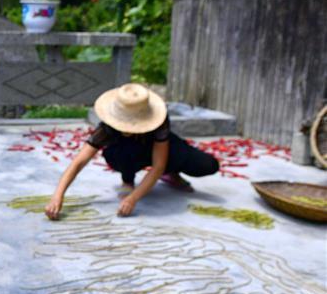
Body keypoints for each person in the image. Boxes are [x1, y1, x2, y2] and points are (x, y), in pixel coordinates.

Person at [44, 83, 220, 219]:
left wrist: (133, 199)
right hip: (127, 153)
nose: (127, 128)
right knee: (123, 152)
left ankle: (171, 172)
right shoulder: (107, 128)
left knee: (207, 164)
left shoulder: (158, 120)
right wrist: (58, 196)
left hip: (157, 146)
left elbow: (158, 165)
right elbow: (79, 161)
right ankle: (127, 180)